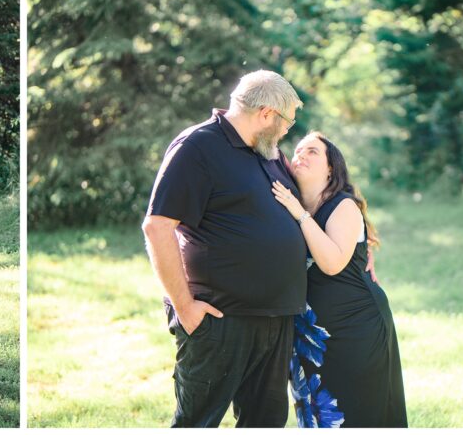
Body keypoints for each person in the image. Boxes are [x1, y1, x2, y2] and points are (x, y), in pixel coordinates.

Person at [142, 70, 307, 427]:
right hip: (220, 320)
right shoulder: (197, 147)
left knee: (264, 423)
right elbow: (158, 227)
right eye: (287, 122)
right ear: (266, 113)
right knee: (197, 423)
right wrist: (185, 307)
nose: (286, 131)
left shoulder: (269, 153)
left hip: (275, 319)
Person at [271, 132, 408, 427]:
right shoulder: (294, 204)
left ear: (331, 167)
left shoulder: (342, 205)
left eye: (312, 152)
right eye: (297, 151)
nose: (301, 156)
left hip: (355, 328)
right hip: (311, 334)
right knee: (318, 416)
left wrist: (299, 215)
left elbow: (332, 264)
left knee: (355, 413)